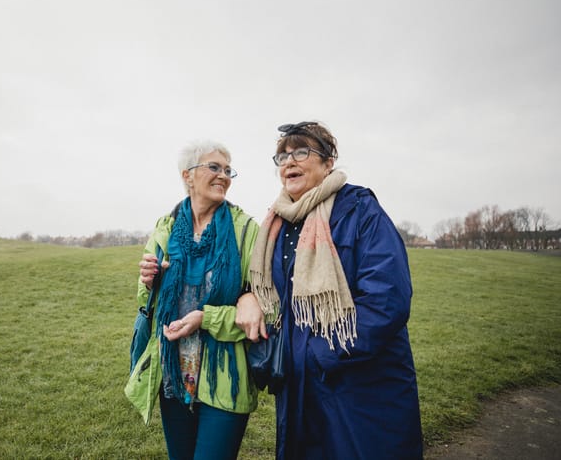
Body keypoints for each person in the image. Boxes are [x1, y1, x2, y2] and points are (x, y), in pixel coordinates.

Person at [236, 121, 423, 459]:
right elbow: (270, 285)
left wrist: (319, 353)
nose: (290, 161)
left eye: (302, 151)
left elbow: (387, 300)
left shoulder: (360, 210)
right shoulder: (278, 222)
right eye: (282, 156)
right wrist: (248, 294)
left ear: (328, 162)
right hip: (302, 388)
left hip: (360, 385)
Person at [125, 141, 260, 460]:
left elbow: (268, 309)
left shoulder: (246, 231)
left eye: (228, 170)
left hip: (225, 375)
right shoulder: (166, 228)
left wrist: (206, 318)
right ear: (188, 175)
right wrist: (150, 281)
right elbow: (147, 303)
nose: (224, 176)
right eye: (214, 167)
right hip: (174, 374)